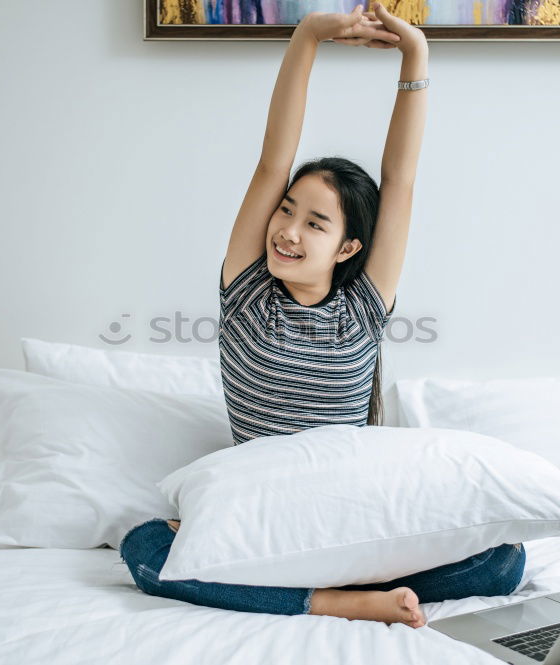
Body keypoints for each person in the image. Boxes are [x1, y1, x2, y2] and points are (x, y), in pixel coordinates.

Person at [120, 2, 525, 629]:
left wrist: (416, 56)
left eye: (314, 223)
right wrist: (307, 34)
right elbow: (270, 163)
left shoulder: (362, 308)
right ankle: (335, 601)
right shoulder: (247, 292)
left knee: (505, 562)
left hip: (352, 519)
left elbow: (401, 180)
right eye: (286, 212)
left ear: (348, 247)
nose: (286, 231)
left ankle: (336, 584)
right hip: (264, 524)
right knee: (143, 548)